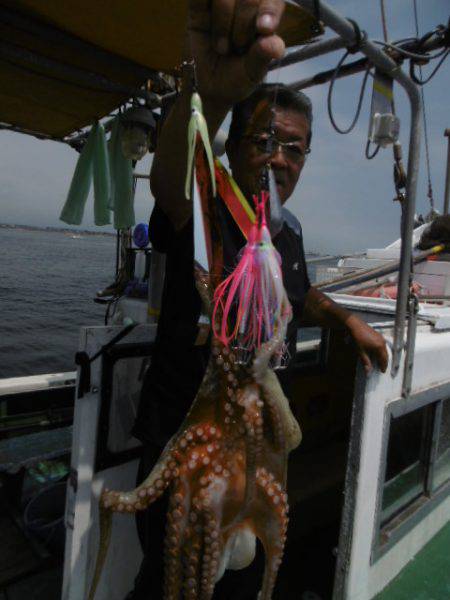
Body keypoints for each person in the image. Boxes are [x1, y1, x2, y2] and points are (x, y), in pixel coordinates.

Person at [129, 1, 389, 598]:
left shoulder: (284, 233)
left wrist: (347, 320)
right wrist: (211, 98)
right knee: (169, 581)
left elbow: (300, 295)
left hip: (255, 458)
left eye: (295, 149)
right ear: (233, 146)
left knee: (244, 583)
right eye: (266, 141)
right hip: (185, 446)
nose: (279, 159)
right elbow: (170, 184)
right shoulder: (204, 209)